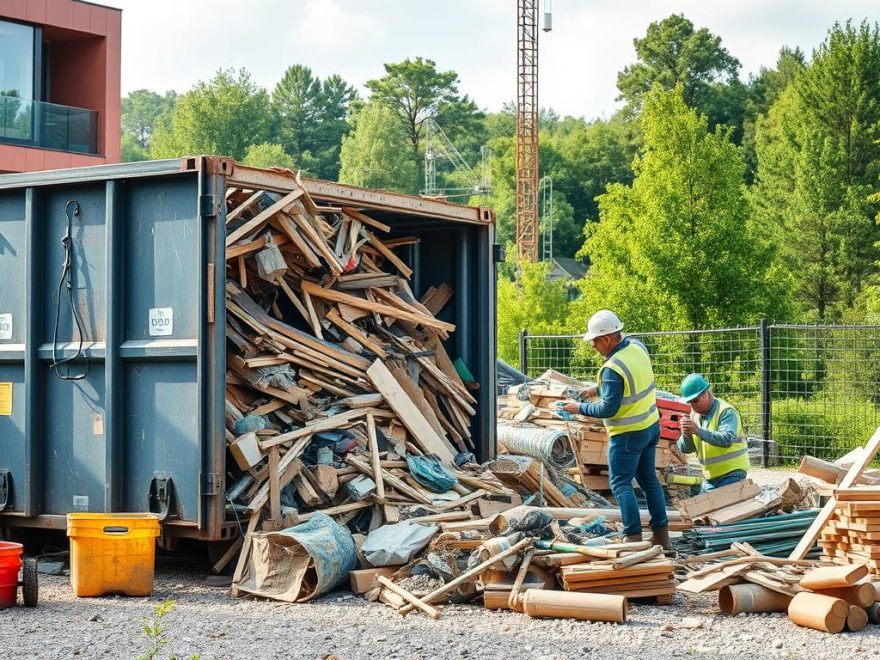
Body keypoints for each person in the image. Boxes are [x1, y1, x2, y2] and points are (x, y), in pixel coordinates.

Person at [560, 310, 670, 549]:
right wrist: (595, 389)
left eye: (595, 341)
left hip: (628, 434)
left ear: (607, 338)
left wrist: (578, 407)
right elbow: (630, 381)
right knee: (650, 480)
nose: (593, 346)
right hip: (650, 427)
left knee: (620, 483)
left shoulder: (611, 368)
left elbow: (609, 408)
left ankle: (632, 538)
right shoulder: (637, 347)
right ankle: (662, 537)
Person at [677, 373, 750, 492]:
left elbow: (726, 439)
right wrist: (686, 434)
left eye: (695, 400)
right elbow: (685, 448)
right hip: (710, 478)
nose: (692, 405)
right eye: (689, 402)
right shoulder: (694, 415)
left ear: (706, 394)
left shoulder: (726, 411)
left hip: (732, 474)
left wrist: (697, 430)